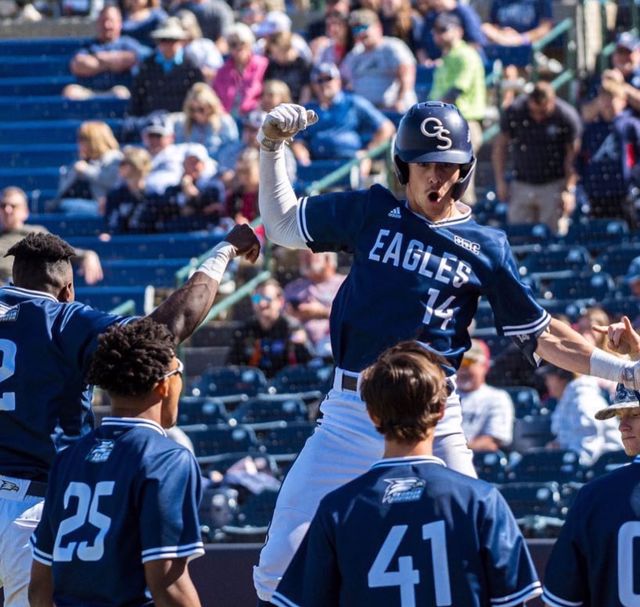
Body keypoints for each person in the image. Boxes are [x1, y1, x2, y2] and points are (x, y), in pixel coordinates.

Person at [252, 100, 640, 601]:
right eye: (426, 164)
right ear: (402, 167)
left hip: (436, 417)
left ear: (465, 170)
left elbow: (542, 334)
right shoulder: (372, 211)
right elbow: (282, 227)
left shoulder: (485, 245)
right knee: (275, 571)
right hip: (350, 414)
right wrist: (270, 148)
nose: (439, 176)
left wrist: (625, 368)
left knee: (483, 551)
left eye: (449, 165)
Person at [0, 224, 259, 607]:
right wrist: (223, 252)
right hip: (34, 506)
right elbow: (157, 335)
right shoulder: (63, 318)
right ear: (68, 290)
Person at [273, 341, 543, 607]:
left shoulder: (337, 509)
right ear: (440, 410)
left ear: (372, 414)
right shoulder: (480, 500)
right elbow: (510, 600)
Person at [28, 319, 203, 607]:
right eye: (179, 372)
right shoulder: (167, 459)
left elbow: (39, 588)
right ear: (163, 384)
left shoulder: (68, 458)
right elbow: (168, 586)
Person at [541, 383, 640, 607]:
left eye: (634, 414)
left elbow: (559, 601)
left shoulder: (595, 495)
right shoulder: (594, 494)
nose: (623, 426)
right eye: (620, 416)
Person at [492, 81, 582, 235]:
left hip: (553, 185)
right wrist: (500, 180)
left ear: (552, 102)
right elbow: (500, 147)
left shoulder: (566, 115)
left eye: (543, 112)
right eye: (534, 112)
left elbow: (573, 157)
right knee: (519, 236)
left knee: (553, 237)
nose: (538, 116)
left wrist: (568, 189)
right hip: (521, 182)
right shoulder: (516, 111)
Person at [429, 12, 486, 204]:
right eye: (436, 31)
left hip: (463, 124)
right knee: (444, 185)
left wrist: (431, 111)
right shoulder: (446, 58)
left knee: (460, 184)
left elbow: (456, 91)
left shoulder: (465, 54)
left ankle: (465, 230)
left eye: (444, 30)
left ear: (459, 31)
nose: (439, 35)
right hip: (444, 124)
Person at [291, 62, 396, 165]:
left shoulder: (354, 102)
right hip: (317, 165)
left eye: (328, 79)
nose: (324, 84)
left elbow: (386, 127)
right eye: (319, 80)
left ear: (338, 81)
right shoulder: (308, 109)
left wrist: (367, 153)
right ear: (313, 85)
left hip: (350, 163)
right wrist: (302, 155)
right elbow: (298, 140)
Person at [0, 187, 103, 285]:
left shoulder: (36, 234)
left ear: (25, 212)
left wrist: (88, 255)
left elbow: (63, 251)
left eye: (13, 206)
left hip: (27, 292)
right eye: (3, 205)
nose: (7, 210)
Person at [227, 278, 314, 378]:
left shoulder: (291, 328)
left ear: (280, 302)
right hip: (252, 389)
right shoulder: (245, 331)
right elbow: (231, 367)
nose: (261, 303)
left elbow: (307, 366)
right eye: (257, 299)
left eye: (267, 298)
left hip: (284, 388)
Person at [540, 364, 621, 465]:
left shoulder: (582, 399)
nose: (546, 382)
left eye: (549, 376)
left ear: (561, 377)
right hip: (596, 467)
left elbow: (587, 449)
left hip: (609, 467)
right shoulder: (569, 398)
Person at [64, 5, 150, 100]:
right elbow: (78, 65)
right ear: (97, 23)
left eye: (111, 21)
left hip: (117, 91)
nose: (107, 25)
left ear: (119, 23)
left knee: (121, 93)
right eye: (103, 21)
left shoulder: (127, 44)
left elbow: (134, 58)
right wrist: (114, 62)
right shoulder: (89, 45)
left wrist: (100, 59)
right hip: (89, 92)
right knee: (70, 91)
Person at [341, 9, 417, 112]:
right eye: (356, 29)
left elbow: (407, 73)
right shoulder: (355, 54)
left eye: (364, 27)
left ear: (378, 27)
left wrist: (399, 100)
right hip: (366, 113)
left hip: (393, 109)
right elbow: (341, 80)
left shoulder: (392, 46)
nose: (361, 32)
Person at [129, 17, 204, 117]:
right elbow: (137, 97)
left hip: (183, 120)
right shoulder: (147, 65)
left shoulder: (191, 65)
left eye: (173, 40)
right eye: (164, 40)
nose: (169, 44)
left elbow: (198, 95)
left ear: (181, 41)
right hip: (152, 119)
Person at [54, 121, 123, 216]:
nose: (79, 143)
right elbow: (63, 188)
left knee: (65, 207)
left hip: (103, 206)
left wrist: (86, 170)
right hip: (81, 204)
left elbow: (112, 181)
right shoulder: (82, 160)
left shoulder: (114, 158)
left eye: (83, 139)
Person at [458, 339, 514, 452]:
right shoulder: (444, 396)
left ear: (484, 366)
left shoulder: (496, 398)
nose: (462, 368)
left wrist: (454, 451)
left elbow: (492, 442)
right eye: (459, 362)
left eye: (468, 362)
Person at [213, 23, 269, 119]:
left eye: (242, 43)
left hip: (255, 113)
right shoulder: (222, 70)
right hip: (228, 116)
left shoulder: (262, 64)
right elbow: (215, 97)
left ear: (250, 44)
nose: (239, 47)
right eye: (233, 44)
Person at [173, 82, 239, 160]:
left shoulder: (225, 122)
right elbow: (179, 149)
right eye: (192, 109)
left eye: (201, 109)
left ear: (211, 107)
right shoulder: (183, 124)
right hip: (190, 168)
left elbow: (231, 149)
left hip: (216, 168)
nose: (197, 114)